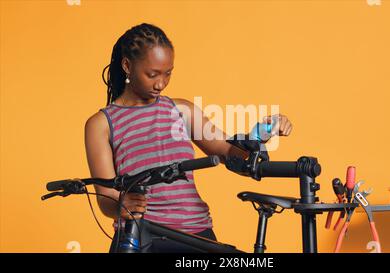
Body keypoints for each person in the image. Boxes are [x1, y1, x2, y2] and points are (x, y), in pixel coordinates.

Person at [84, 23, 293, 252]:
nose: (161, 83)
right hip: (142, 236)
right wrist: (120, 204)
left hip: (196, 236)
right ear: (127, 66)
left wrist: (258, 136)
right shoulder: (101, 125)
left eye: (168, 73)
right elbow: (105, 198)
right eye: (152, 74)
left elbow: (228, 153)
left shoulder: (181, 111)